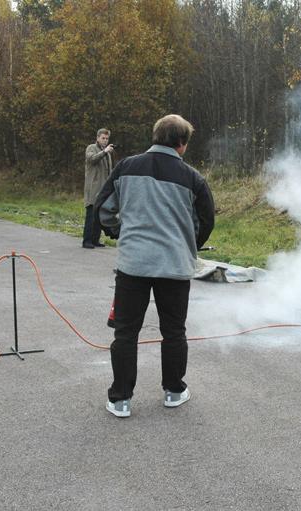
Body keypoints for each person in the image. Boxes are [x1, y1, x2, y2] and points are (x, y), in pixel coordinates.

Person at [95, 114, 215, 418]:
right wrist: (190, 244)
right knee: (174, 331)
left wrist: (118, 232)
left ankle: (120, 399)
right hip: (174, 266)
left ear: (155, 137)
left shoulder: (126, 167)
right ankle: (174, 391)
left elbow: (103, 208)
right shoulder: (193, 178)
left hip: (133, 265)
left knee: (125, 333)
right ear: (182, 144)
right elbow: (206, 220)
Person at [83, 128, 114, 249]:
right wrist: (105, 152)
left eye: (107, 138)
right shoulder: (91, 148)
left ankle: (95, 240)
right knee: (90, 215)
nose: (105, 141)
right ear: (97, 138)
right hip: (93, 188)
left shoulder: (108, 152)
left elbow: (109, 171)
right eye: (103, 138)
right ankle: (87, 241)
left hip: (103, 189)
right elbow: (92, 159)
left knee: (98, 216)